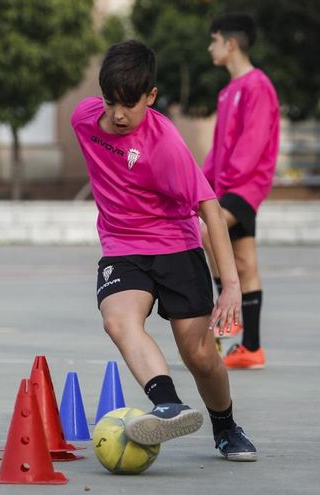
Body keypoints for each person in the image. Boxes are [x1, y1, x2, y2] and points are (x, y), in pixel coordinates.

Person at [71, 40, 257, 460]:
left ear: (151, 97)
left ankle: (226, 427)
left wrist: (230, 285)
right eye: (110, 102)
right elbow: (96, 116)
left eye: (129, 104)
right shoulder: (84, 118)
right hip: (122, 247)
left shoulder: (164, 145)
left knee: (199, 354)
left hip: (176, 246)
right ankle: (168, 404)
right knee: (117, 320)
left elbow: (209, 208)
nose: (118, 115)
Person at [201, 13, 280, 370]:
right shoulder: (228, 91)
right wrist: (200, 183)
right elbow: (217, 148)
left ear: (230, 44)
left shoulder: (257, 85)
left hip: (244, 186)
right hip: (226, 185)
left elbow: (252, 143)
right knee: (246, 263)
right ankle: (251, 348)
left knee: (206, 232)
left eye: (214, 40)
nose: (210, 48)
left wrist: (224, 185)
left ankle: (225, 313)